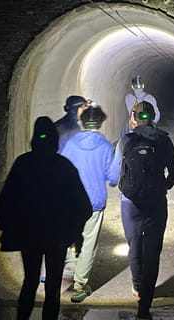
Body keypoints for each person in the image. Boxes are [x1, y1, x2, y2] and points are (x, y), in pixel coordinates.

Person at [0, 116, 91, 320]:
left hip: (29, 235)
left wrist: (7, 225)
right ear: (55, 139)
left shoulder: (23, 163)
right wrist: (75, 232)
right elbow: (83, 206)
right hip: (57, 236)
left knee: (30, 281)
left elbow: (5, 201)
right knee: (53, 287)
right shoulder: (64, 166)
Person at [109, 101, 174, 320]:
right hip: (156, 204)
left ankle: (137, 286)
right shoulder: (164, 140)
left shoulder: (127, 140)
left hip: (130, 204)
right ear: (153, 117)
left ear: (134, 118)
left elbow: (113, 176)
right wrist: (162, 187)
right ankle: (145, 302)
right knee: (152, 252)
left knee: (134, 247)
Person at [58, 105, 119, 303]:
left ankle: (66, 270)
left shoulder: (71, 143)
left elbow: (61, 169)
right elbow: (112, 178)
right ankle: (80, 286)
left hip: (70, 201)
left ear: (83, 122)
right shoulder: (106, 146)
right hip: (94, 202)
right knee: (88, 244)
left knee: (71, 239)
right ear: (100, 123)